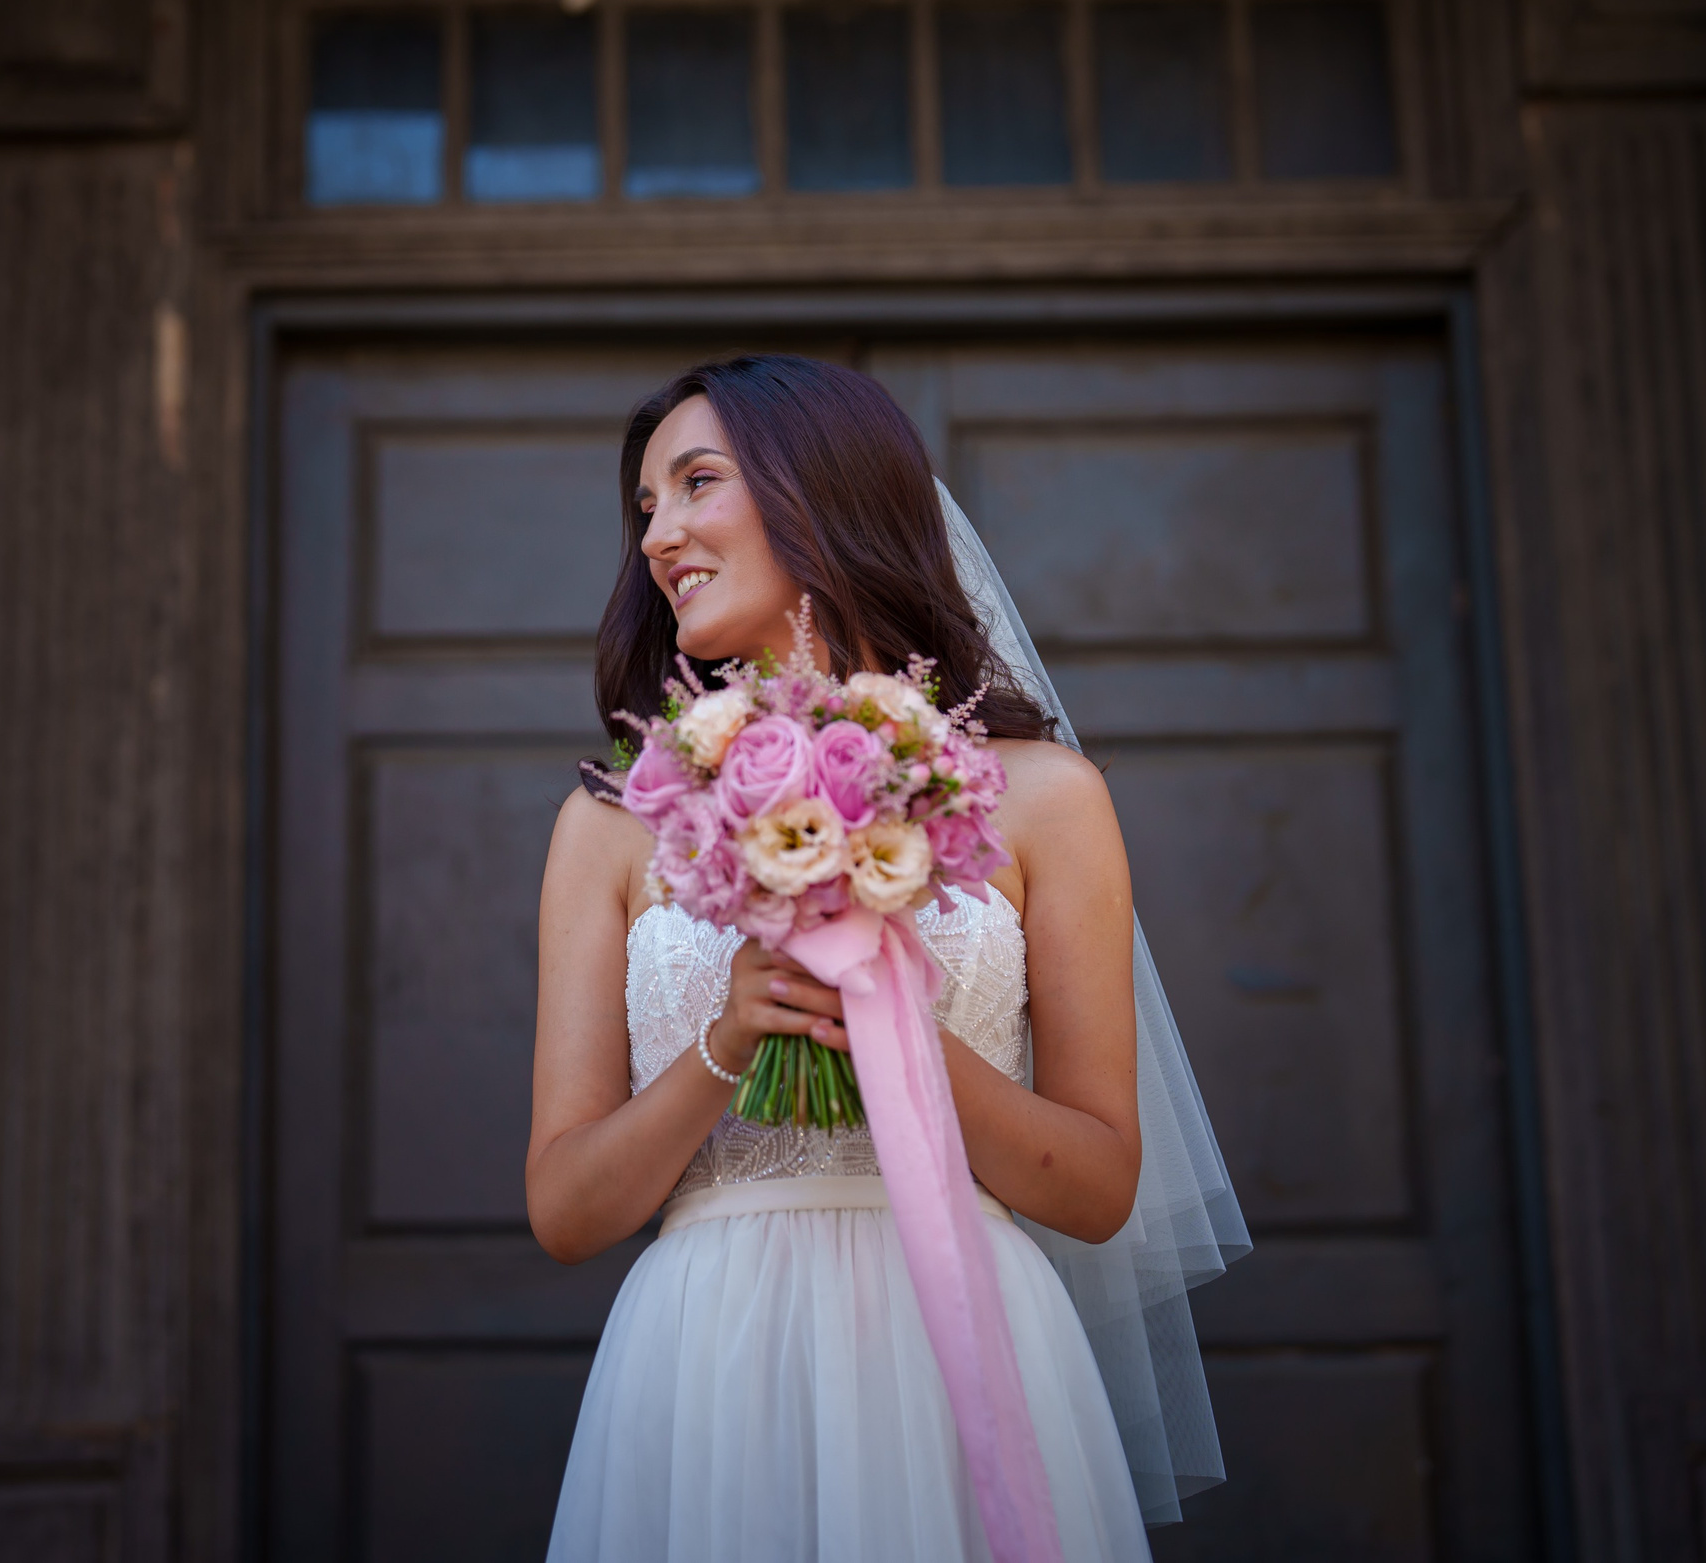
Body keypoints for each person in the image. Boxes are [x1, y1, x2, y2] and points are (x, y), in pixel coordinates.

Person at [527, 355, 1246, 1562]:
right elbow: (564, 1210)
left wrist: (891, 1021)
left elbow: (1097, 1183)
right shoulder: (613, 823)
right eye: (644, 508)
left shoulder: (1043, 801)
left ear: (822, 491)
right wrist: (733, 1035)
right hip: (705, 1361)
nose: (659, 536)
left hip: (960, 1337)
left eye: (696, 483)